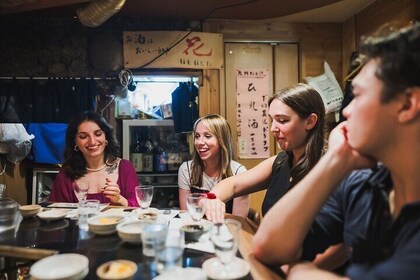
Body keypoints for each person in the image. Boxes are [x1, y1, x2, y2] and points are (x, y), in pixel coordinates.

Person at [252, 22, 420, 280]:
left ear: (407, 104)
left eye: (359, 95)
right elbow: (268, 247)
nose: (346, 112)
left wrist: (301, 272)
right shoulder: (362, 184)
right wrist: (335, 160)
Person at [204, 83, 326, 222]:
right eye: (271, 120)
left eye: (282, 120)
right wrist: (211, 199)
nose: (273, 128)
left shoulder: (329, 168)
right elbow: (232, 185)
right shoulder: (281, 161)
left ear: (310, 121)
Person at [50, 111, 139, 207]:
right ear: (75, 141)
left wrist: (119, 199)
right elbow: (56, 211)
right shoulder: (66, 174)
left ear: (106, 137)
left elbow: (138, 210)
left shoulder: (125, 168)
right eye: (83, 136)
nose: (92, 142)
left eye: (98, 134)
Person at [178, 114, 249, 217]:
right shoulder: (186, 169)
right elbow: (186, 216)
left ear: (221, 140)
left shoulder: (239, 173)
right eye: (197, 136)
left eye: (207, 136)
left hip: (225, 231)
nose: (200, 142)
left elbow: (237, 222)